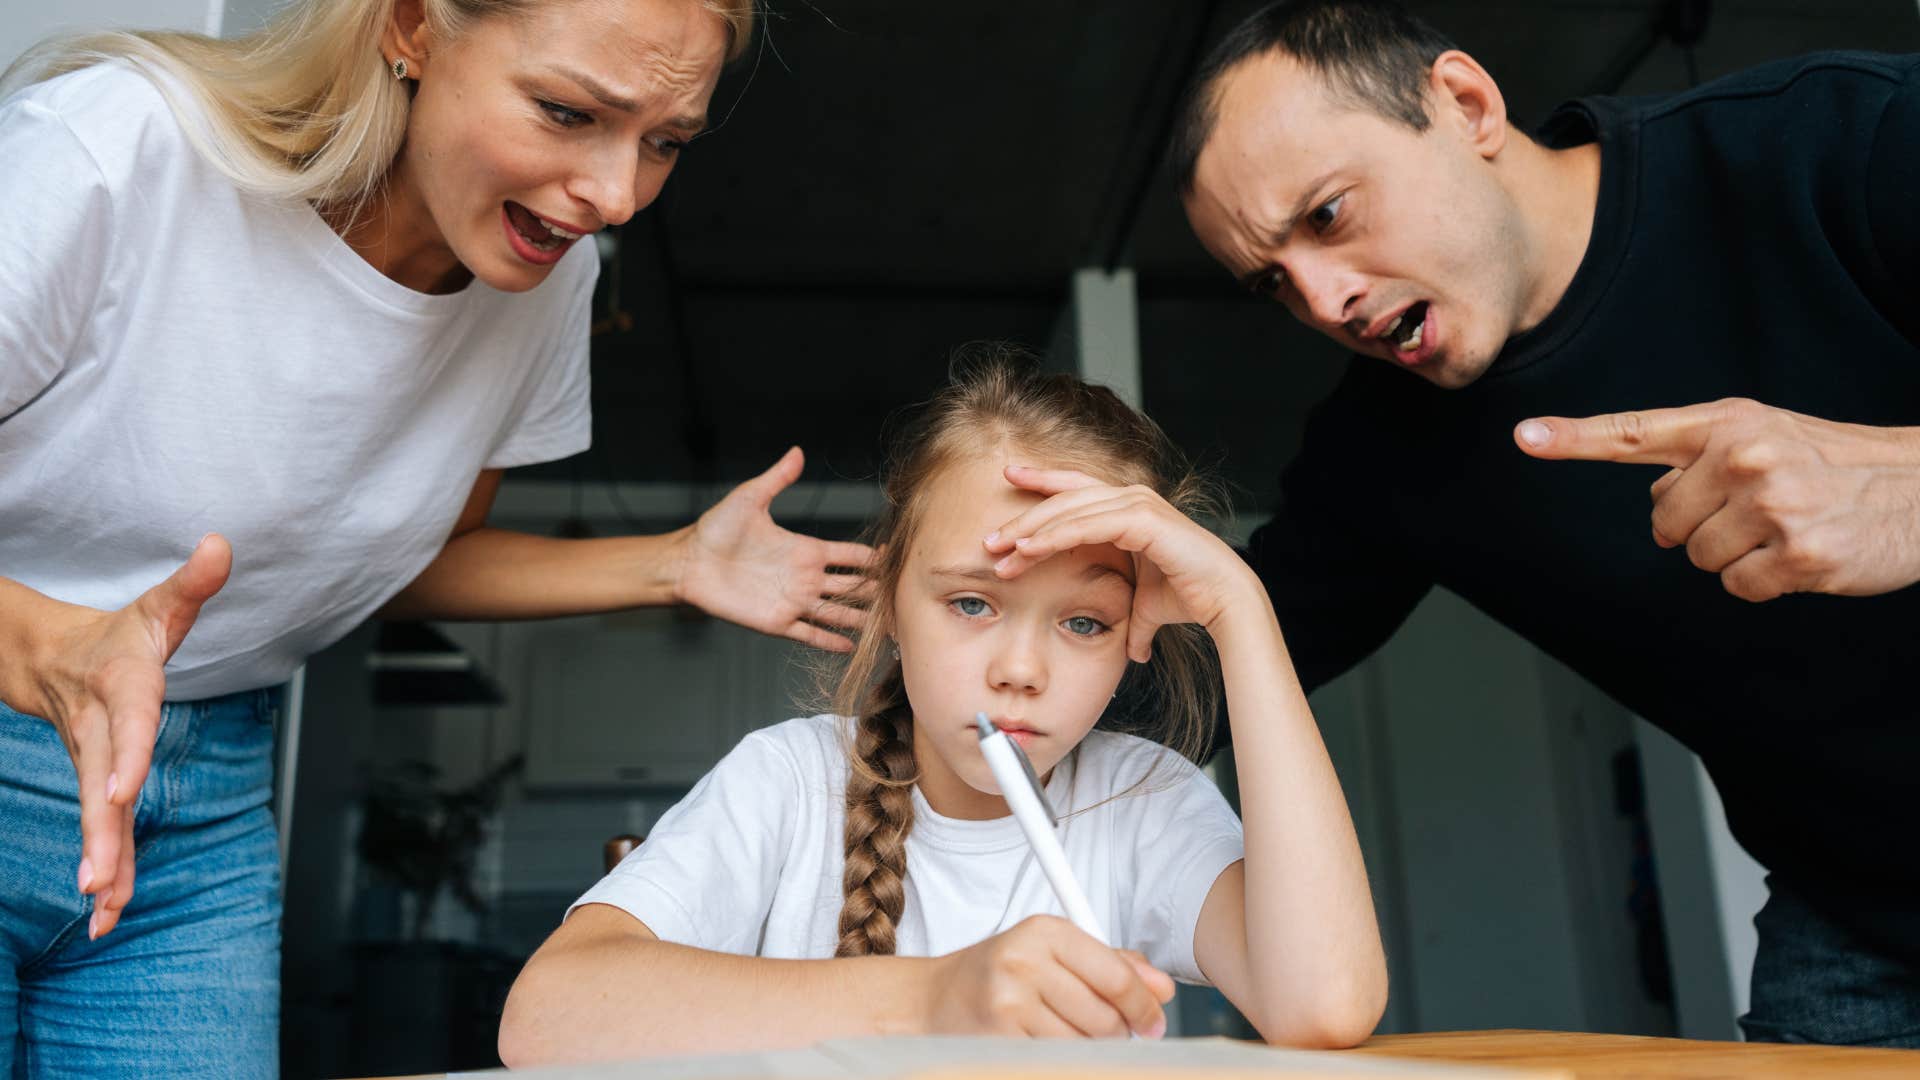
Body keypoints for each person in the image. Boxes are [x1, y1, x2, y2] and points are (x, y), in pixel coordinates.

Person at [0, 0, 874, 1073]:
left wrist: (674, 563)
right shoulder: (123, 149)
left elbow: (404, 557)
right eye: (566, 112)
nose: (613, 196)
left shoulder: (545, 284)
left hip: (203, 799)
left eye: (665, 143)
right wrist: (46, 643)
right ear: (411, 27)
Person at [1155, 0, 1920, 1048]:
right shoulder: (1383, 451)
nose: (1325, 300)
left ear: (1466, 105)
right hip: (1863, 913)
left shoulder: (1841, 139)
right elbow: (1194, 681)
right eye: (1274, 281)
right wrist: (955, 623)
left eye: (1328, 216)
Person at [495, 354, 1387, 1065]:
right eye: (972, 604)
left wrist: (1244, 613)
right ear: (890, 603)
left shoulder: (1140, 799)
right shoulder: (791, 782)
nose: (1021, 671)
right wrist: (933, 1000)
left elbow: (1325, 1006)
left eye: (1085, 622)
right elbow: (545, 1018)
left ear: (1133, 634)